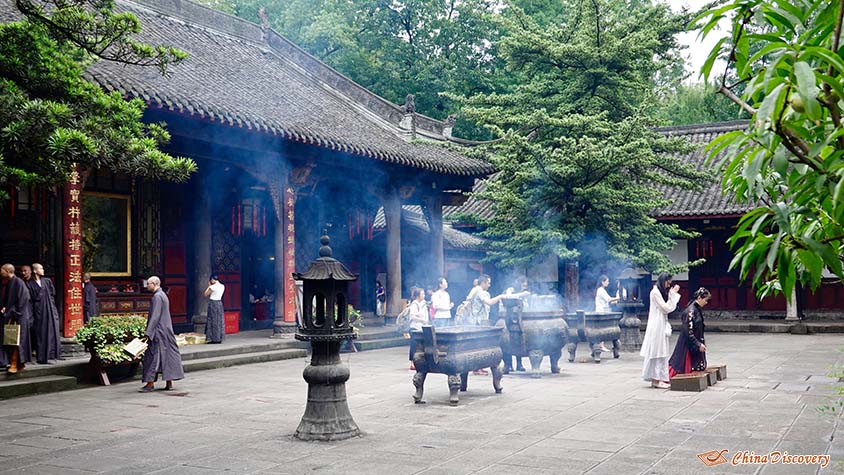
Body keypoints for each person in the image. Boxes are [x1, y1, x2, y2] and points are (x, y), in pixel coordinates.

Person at [469, 275, 528, 375]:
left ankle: (478, 367)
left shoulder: (476, 290)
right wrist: (500, 296)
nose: (489, 285)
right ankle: (477, 368)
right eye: (488, 283)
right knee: (478, 344)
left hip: (477, 320)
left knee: (479, 344)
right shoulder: (480, 291)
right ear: (483, 282)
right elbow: (489, 302)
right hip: (477, 321)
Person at [140, 276, 184, 392]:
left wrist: (148, 332)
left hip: (158, 331)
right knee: (167, 356)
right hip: (166, 329)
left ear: (154, 284)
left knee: (153, 356)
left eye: (148, 284)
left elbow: (155, 316)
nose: (147, 286)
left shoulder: (157, 297)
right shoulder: (163, 295)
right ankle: (169, 382)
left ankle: (150, 384)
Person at [640, 272, 680, 389]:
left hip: (660, 322)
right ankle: (656, 379)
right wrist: (673, 294)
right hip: (657, 324)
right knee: (657, 350)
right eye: (667, 283)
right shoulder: (655, 292)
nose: (668, 286)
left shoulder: (657, 292)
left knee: (660, 350)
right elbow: (666, 308)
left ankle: (658, 379)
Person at [669, 288, 711, 378]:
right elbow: (689, 332)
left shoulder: (696, 309)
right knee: (681, 364)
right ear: (699, 298)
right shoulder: (690, 311)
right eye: (705, 300)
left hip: (695, 340)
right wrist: (698, 344)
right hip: (688, 343)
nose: (706, 302)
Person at [0, 264, 33, 373]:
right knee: (11, 339)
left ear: (8, 271)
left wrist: (13, 312)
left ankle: (14, 363)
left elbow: (24, 299)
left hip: (19, 316)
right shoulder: (10, 283)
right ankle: (18, 363)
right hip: (12, 314)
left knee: (17, 340)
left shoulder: (18, 282)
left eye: (2, 270)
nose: (1, 272)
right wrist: (5, 308)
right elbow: (9, 301)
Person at [30, 264, 62, 364]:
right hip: (39, 311)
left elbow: (52, 294)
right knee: (41, 333)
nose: (43, 270)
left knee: (52, 331)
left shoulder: (47, 281)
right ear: (35, 271)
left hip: (50, 309)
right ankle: (41, 357)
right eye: (41, 268)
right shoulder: (29, 284)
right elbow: (31, 299)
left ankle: (51, 355)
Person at [594, 275, 619, 353]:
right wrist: (618, 297)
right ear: (602, 282)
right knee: (602, 328)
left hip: (603, 310)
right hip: (601, 311)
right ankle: (601, 345)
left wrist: (615, 300)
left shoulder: (601, 290)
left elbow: (608, 300)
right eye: (607, 281)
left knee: (602, 328)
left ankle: (601, 345)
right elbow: (608, 299)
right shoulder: (601, 290)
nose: (608, 283)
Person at [407, 287, 429, 370]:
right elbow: (412, 316)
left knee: (421, 346)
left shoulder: (423, 303)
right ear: (418, 295)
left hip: (421, 328)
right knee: (414, 345)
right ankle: (412, 362)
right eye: (422, 294)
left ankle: (420, 361)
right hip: (415, 328)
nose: (424, 295)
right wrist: (421, 319)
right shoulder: (414, 304)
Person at [203, 275, 225, 344]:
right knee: (219, 320)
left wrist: (209, 286)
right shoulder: (222, 286)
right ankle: (219, 337)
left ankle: (212, 338)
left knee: (212, 320)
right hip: (219, 303)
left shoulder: (212, 287)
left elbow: (205, 294)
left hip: (213, 303)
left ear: (212, 280)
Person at [21, 265, 37, 356]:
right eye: (22, 271)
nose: (23, 273)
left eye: (25, 271)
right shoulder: (22, 282)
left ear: (31, 271)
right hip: (25, 308)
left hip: (33, 309)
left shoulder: (34, 282)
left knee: (33, 329)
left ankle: (34, 348)